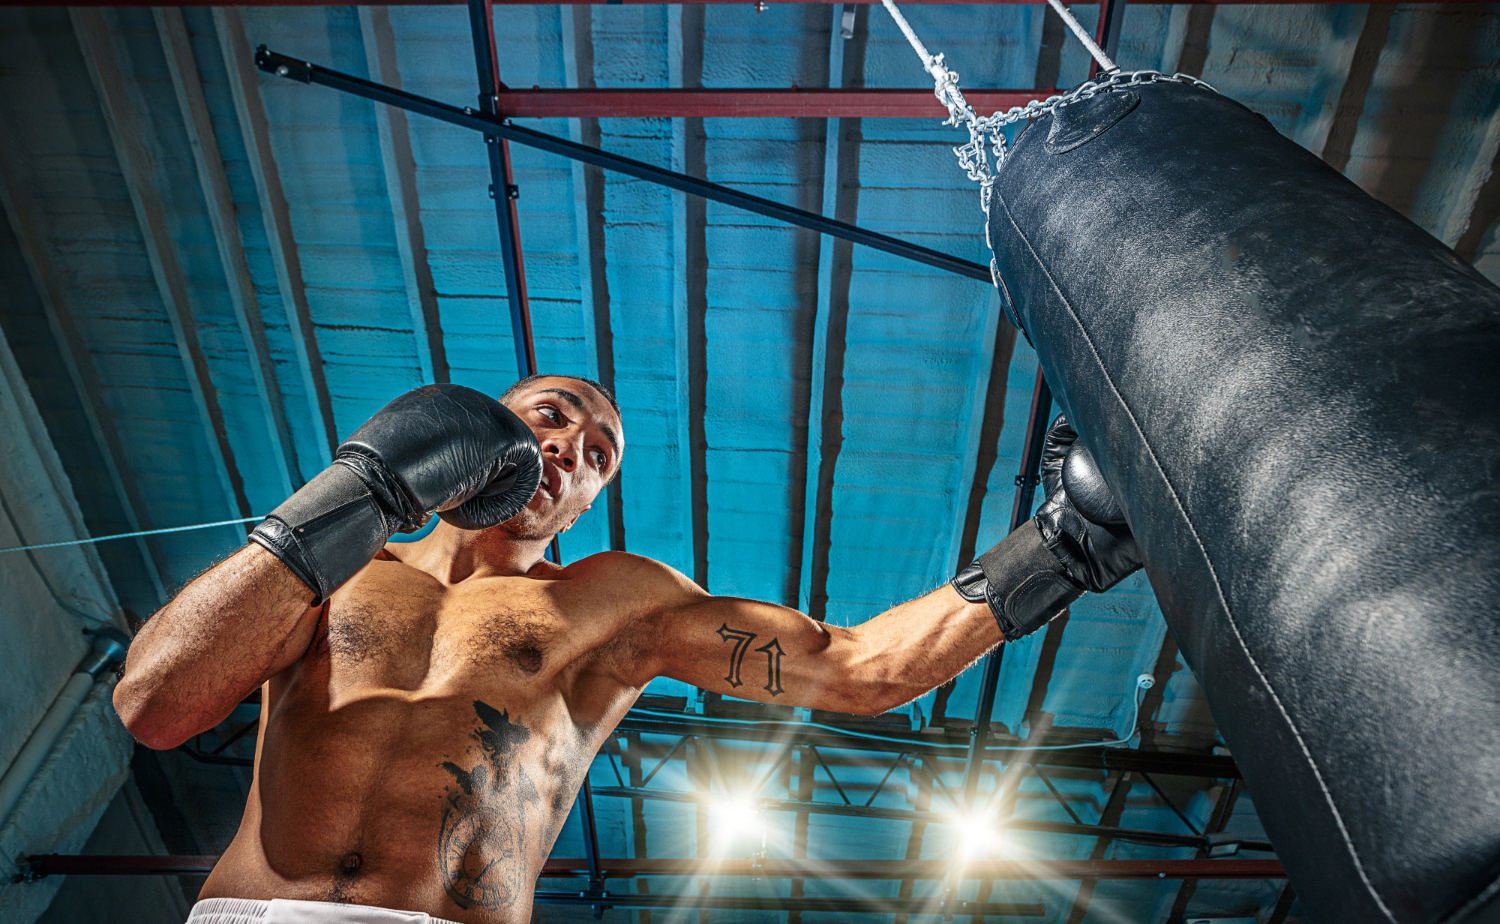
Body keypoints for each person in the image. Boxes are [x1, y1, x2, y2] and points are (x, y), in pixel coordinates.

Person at [114, 376, 1140, 924]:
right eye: (550, 419)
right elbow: (152, 705)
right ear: (482, 432)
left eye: (596, 455)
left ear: (587, 502)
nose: (569, 447)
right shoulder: (340, 566)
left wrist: (1060, 545)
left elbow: (863, 668)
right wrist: (360, 492)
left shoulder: (613, 601)